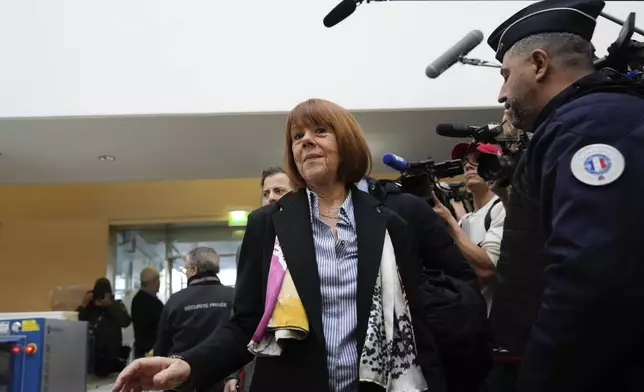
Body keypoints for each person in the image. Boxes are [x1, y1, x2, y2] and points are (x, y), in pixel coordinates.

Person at [113, 98, 445, 392]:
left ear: (346, 142)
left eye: (319, 131)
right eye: (297, 137)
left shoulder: (389, 224)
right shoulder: (267, 223)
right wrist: (188, 363)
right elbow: (246, 324)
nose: (306, 142)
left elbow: (415, 325)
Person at [487, 0, 644, 390]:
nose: (502, 93)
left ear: (539, 64)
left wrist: (539, 378)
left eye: (506, 75)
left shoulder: (591, 129)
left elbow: (592, 279)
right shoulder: (583, 123)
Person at [224, 167, 296, 392]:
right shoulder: (251, 243)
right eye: (266, 193)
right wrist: (232, 372)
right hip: (261, 355)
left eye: (279, 190)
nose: (271, 197)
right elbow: (242, 308)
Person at [432, 141, 506, 313]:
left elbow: (488, 271)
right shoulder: (465, 221)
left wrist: (450, 222)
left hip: (499, 320)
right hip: (474, 322)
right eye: (465, 161)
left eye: (478, 160)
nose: (468, 166)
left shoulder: (502, 206)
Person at [155, 247, 234, 392]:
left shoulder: (175, 300)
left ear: (193, 269)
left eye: (186, 268)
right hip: (224, 382)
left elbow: (162, 346)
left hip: (181, 382)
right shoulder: (234, 297)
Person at [78, 278, 131, 377]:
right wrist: (83, 306)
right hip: (91, 361)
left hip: (112, 362)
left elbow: (126, 322)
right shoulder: (89, 308)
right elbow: (76, 323)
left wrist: (111, 305)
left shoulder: (116, 306)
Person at [131, 266, 164, 358]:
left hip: (141, 350)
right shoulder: (153, 303)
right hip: (151, 351)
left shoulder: (137, 299)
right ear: (153, 282)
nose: (159, 283)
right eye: (158, 280)